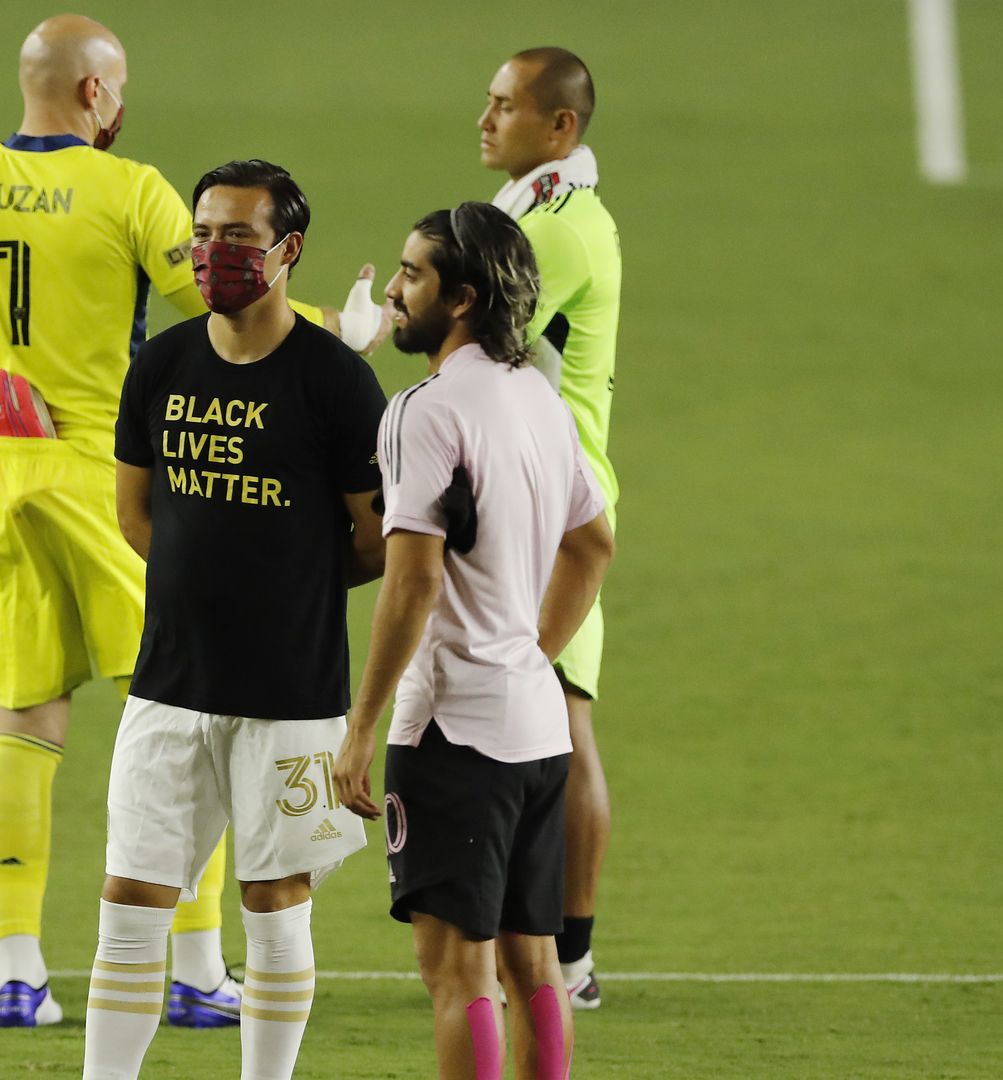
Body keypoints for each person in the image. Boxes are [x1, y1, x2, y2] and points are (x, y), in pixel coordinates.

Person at [0, 14, 290, 1027]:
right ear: (97, 95)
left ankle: (21, 972)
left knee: (23, 732)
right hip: (111, 486)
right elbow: (217, 318)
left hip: (0, 484)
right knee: (185, 725)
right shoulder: (131, 190)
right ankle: (196, 972)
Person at [83, 160, 384, 1080]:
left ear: (287, 251)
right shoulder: (162, 363)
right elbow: (136, 514)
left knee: (274, 903)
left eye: (238, 238)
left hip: (290, 694)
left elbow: (375, 542)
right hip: (169, 684)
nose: (212, 254)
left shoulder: (336, 384)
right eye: (202, 236)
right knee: (131, 903)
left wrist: (282, 584)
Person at [332, 204, 614, 1080]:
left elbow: (410, 578)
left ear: (461, 297)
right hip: (534, 728)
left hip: (455, 734)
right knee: (532, 964)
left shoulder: (427, 410)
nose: (394, 289)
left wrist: (360, 726)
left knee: (457, 972)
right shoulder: (540, 393)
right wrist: (531, 647)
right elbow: (593, 542)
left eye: (411, 275)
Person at [478, 46, 623, 1008]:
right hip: (521, 495)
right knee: (538, 717)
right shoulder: (539, 210)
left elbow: (470, 327)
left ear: (558, 126)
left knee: (558, 721)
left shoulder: (556, 230)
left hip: (546, 508)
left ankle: (567, 956)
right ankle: (541, 944)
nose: (483, 118)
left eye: (503, 105)